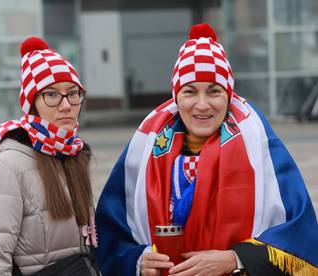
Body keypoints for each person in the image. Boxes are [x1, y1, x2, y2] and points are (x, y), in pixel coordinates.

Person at [95, 23, 318, 276]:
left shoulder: (260, 146)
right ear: (176, 97)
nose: (202, 105)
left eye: (214, 91)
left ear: (229, 95)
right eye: (190, 92)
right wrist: (138, 260)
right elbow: (108, 233)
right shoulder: (144, 148)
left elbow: (301, 234)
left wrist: (236, 259)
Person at [0, 37, 98, 275]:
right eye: (52, 95)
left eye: (73, 93)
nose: (67, 105)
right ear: (31, 104)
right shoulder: (7, 168)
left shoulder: (73, 154)